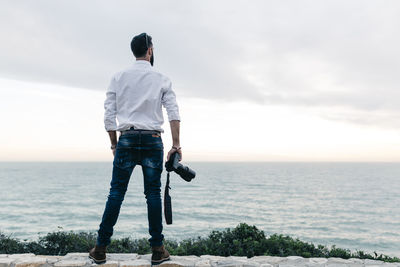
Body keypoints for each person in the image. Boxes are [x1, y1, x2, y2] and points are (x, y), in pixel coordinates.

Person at [89, 32, 182, 265]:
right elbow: (173, 113)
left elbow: (109, 115)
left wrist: (114, 143)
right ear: (149, 50)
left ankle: (100, 248)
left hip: (127, 138)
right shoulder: (161, 78)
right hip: (152, 139)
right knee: (152, 193)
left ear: (134, 51)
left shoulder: (118, 77)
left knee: (116, 193)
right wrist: (176, 145)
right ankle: (158, 250)